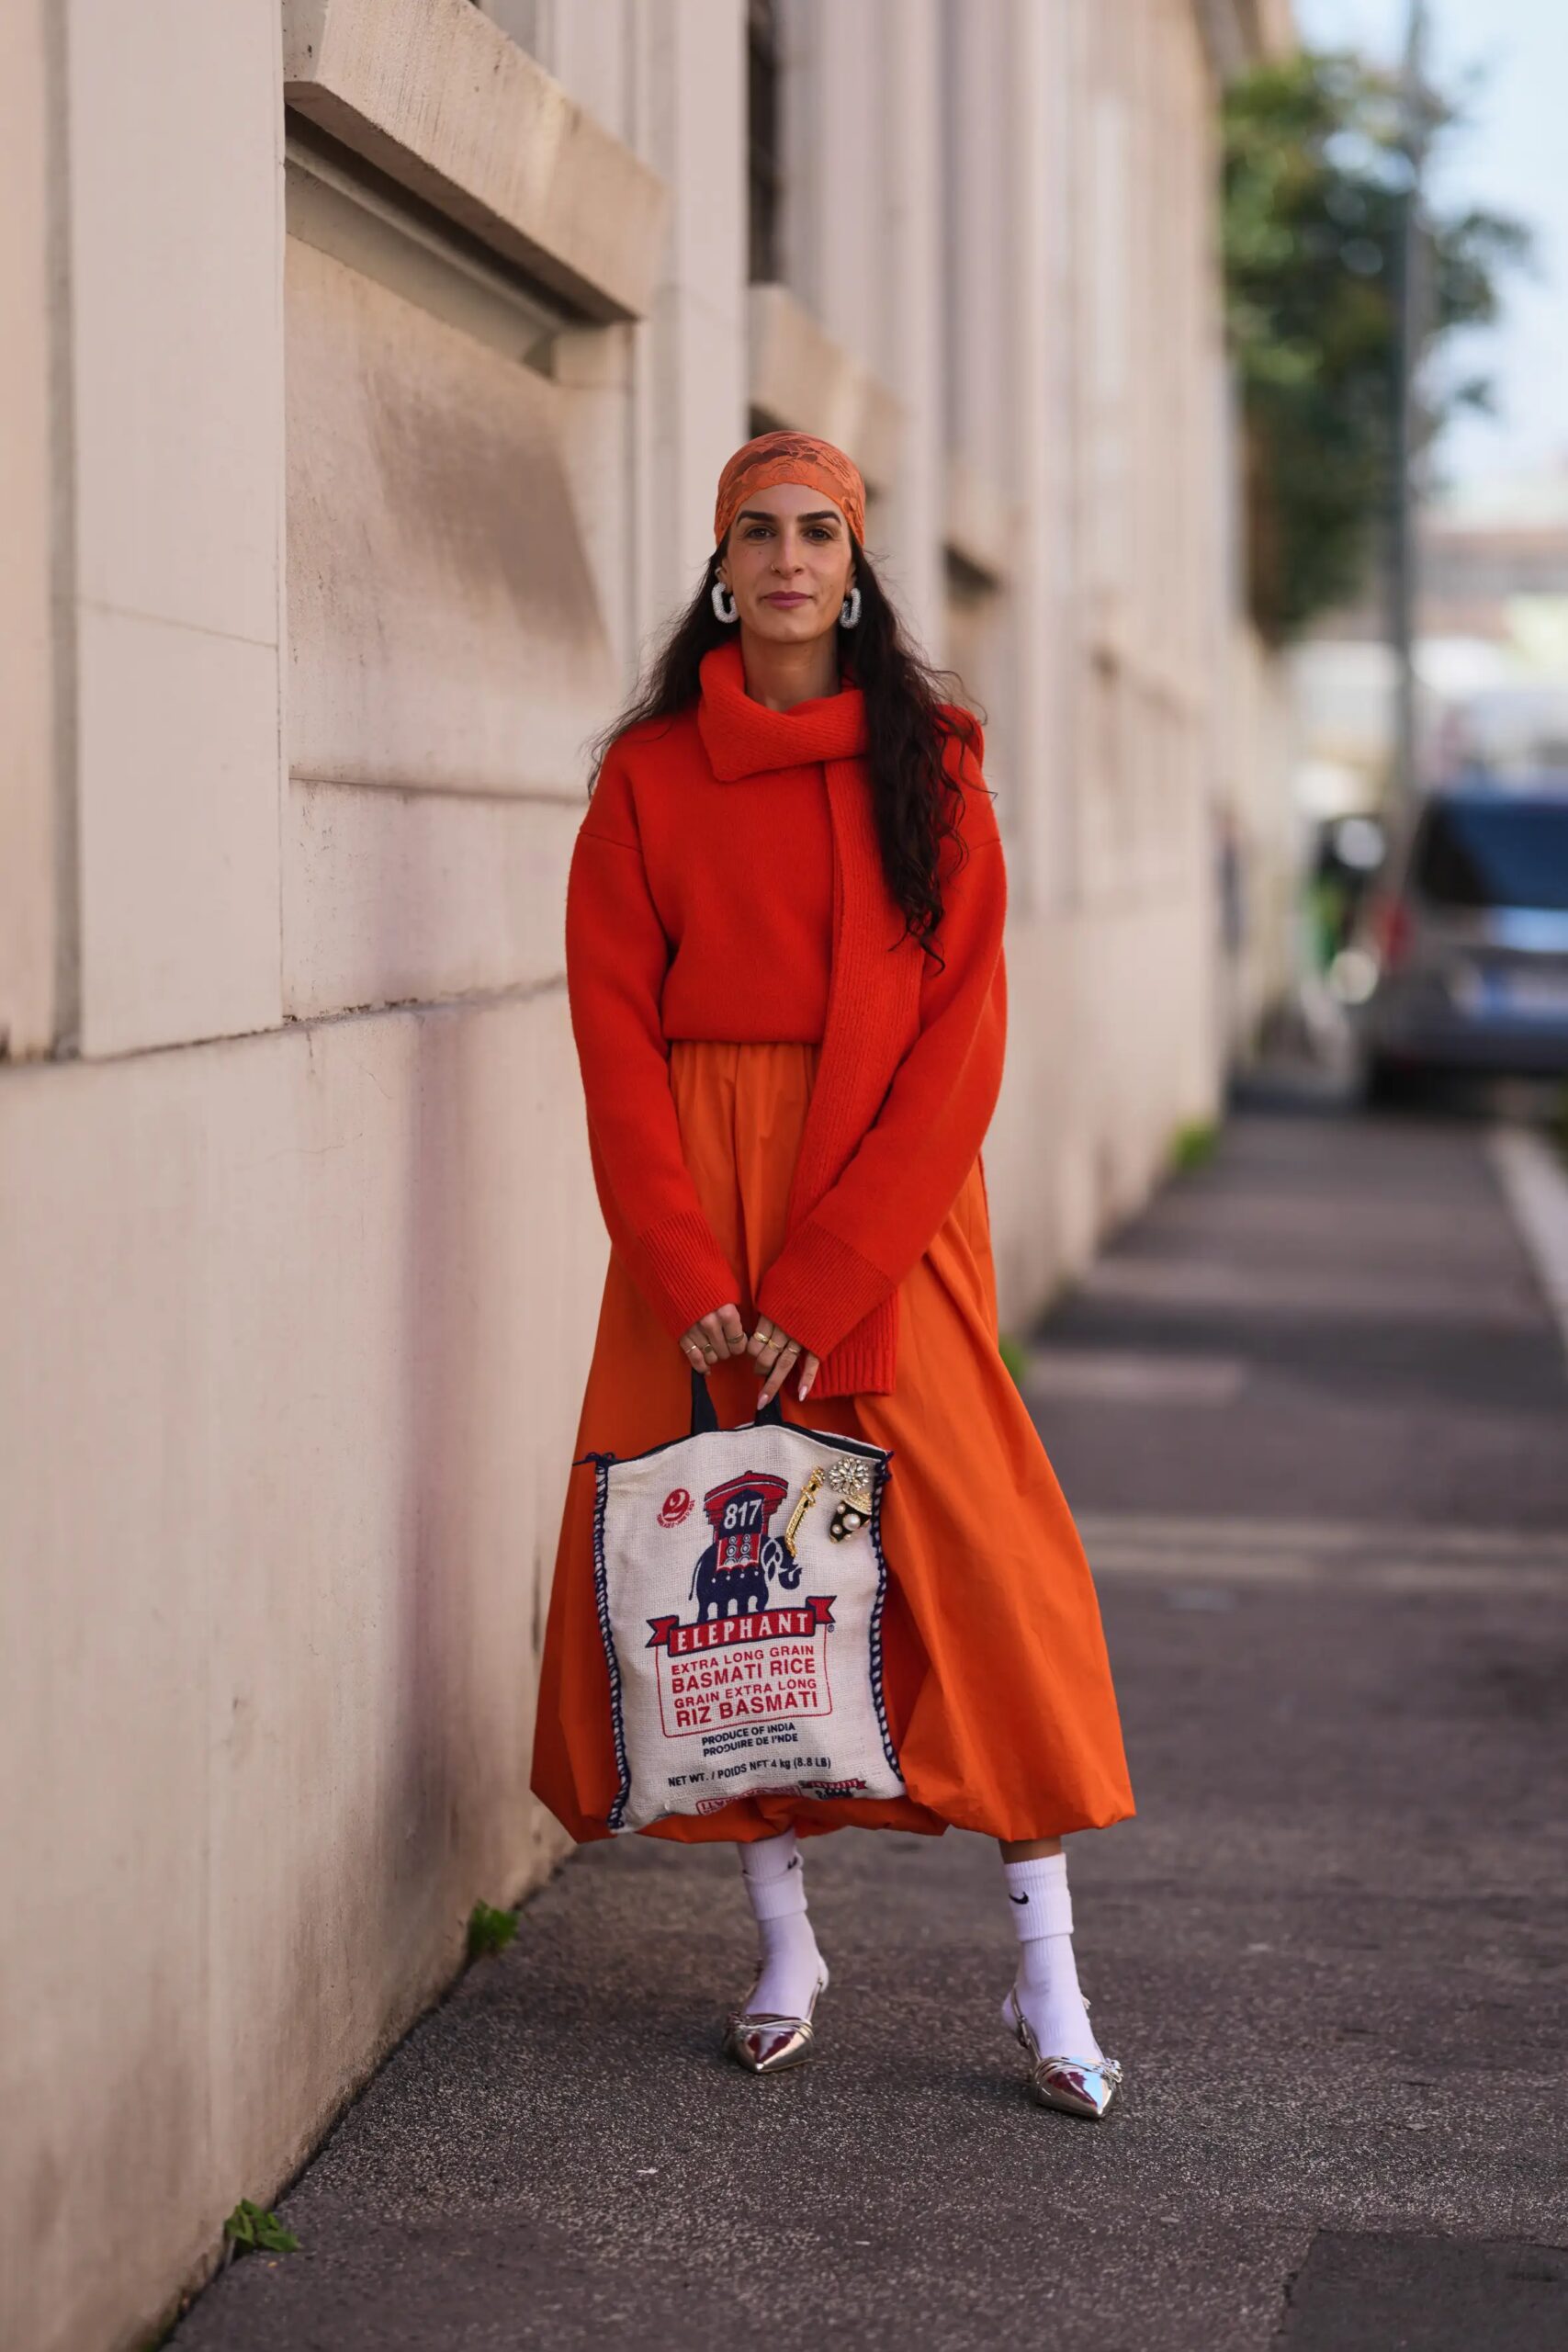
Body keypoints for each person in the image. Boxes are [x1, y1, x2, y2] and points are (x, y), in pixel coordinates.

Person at [530, 431, 1134, 2120]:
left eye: (819, 532)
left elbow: (958, 1050)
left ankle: (1046, 1972)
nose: (790, 558)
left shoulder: (930, 768)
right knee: (730, 1588)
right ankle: (784, 1941)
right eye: (757, 533)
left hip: (881, 1197)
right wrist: (680, 1258)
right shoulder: (646, 777)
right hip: (696, 1209)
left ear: (854, 566)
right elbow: (612, 1037)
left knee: (982, 1572)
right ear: (720, 568)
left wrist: (823, 1273)